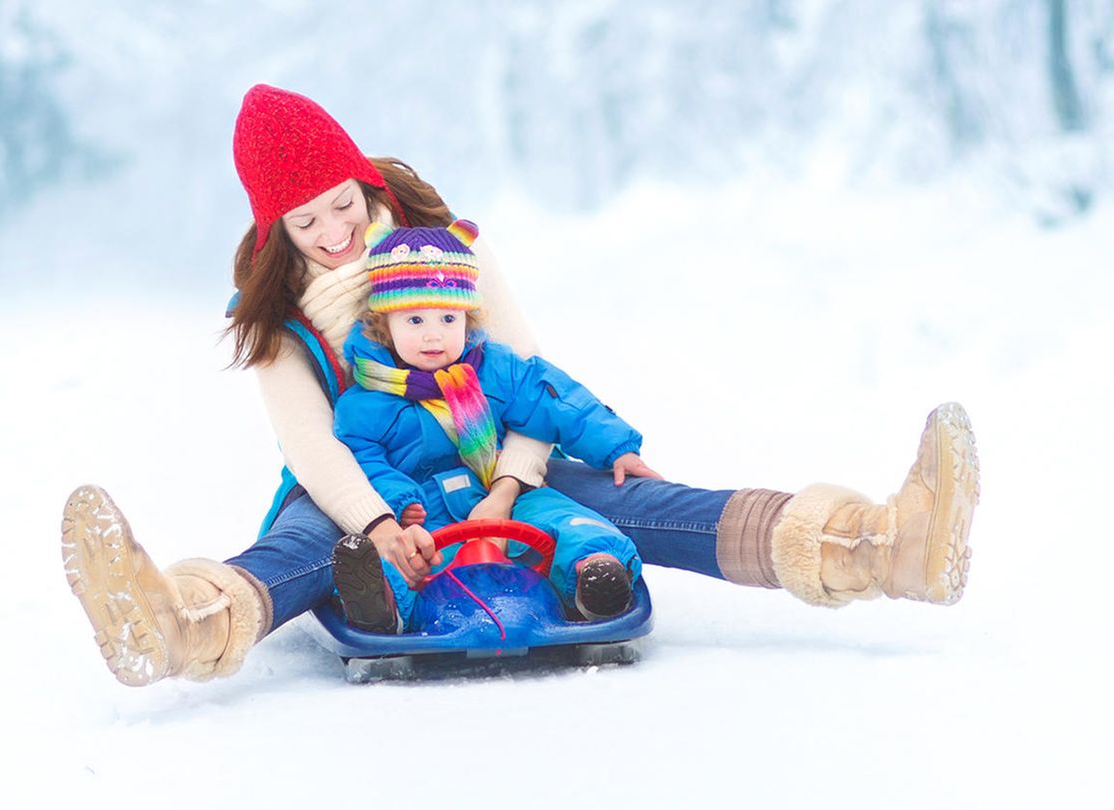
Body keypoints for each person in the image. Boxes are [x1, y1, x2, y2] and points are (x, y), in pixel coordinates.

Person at [60, 84, 980, 688]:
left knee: (642, 503)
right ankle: (178, 623)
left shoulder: (451, 252)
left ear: (362, 180)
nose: (337, 231)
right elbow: (314, 445)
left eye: (344, 202)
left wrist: (511, 480)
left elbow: (527, 377)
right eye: (308, 223)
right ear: (276, 232)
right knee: (305, 550)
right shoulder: (278, 323)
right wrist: (378, 522)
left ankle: (876, 546)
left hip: (496, 456)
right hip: (363, 484)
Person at [330, 218, 652, 633]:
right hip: (426, 512)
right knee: (406, 557)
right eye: (415, 321)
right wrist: (398, 499)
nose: (434, 336)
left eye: (449, 319)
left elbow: (553, 398)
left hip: (500, 492)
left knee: (564, 518)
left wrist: (616, 446)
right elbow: (361, 459)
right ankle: (380, 602)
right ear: (384, 325)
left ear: (467, 319)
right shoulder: (365, 402)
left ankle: (594, 575)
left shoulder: (493, 369)